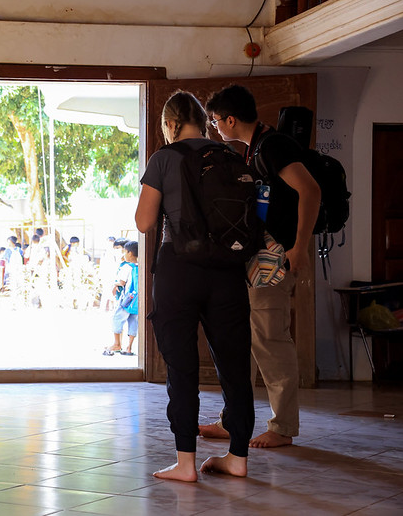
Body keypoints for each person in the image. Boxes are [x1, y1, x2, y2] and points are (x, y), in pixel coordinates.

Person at [135, 90, 254, 481]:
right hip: (228, 271)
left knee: (181, 367)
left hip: (179, 270)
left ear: (170, 125)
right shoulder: (231, 157)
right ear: (204, 122)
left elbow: (144, 222)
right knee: (235, 365)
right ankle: (237, 457)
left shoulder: (164, 159)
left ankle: (185, 463)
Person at [199, 84, 321, 449]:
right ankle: (234, 419)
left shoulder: (273, 146)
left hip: (277, 256)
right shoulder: (256, 148)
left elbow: (310, 191)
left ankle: (282, 427)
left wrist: (300, 246)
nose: (215, 127)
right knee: (247, 340)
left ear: (231, 119)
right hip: (259, 257)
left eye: (216, 121)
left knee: (271, 340)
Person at [104, 240, 139, 356]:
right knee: (133, 321)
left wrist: (115, 284)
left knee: (117, 318)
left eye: (124, 252)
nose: (123, 254)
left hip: (127, 300)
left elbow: (122, 282)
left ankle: (117, 344)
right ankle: (129, 347)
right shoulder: (141, 266)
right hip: (137, 301)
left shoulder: (127, 267)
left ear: (129, 253)